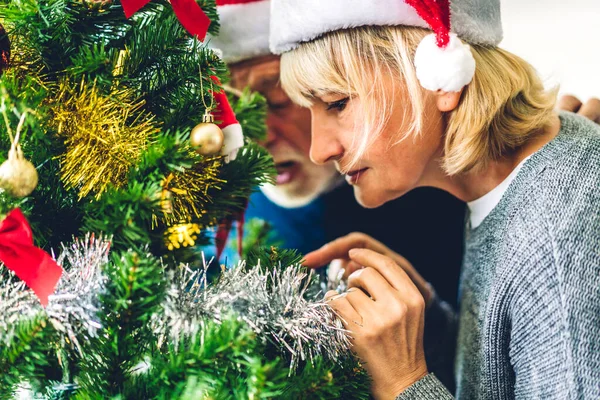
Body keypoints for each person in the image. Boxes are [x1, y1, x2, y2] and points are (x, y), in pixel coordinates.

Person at [270, 0, 600, 398]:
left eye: (338, 103)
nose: (319, 150)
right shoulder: (504, 189)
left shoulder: (555, 236)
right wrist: (431, 332)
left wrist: (403, 383)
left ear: (441, 79)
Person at [209, 0, 466, 305]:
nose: (258, 136)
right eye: (231, 110)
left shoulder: (434, 187)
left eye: (279, 100)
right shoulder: (216, 210)